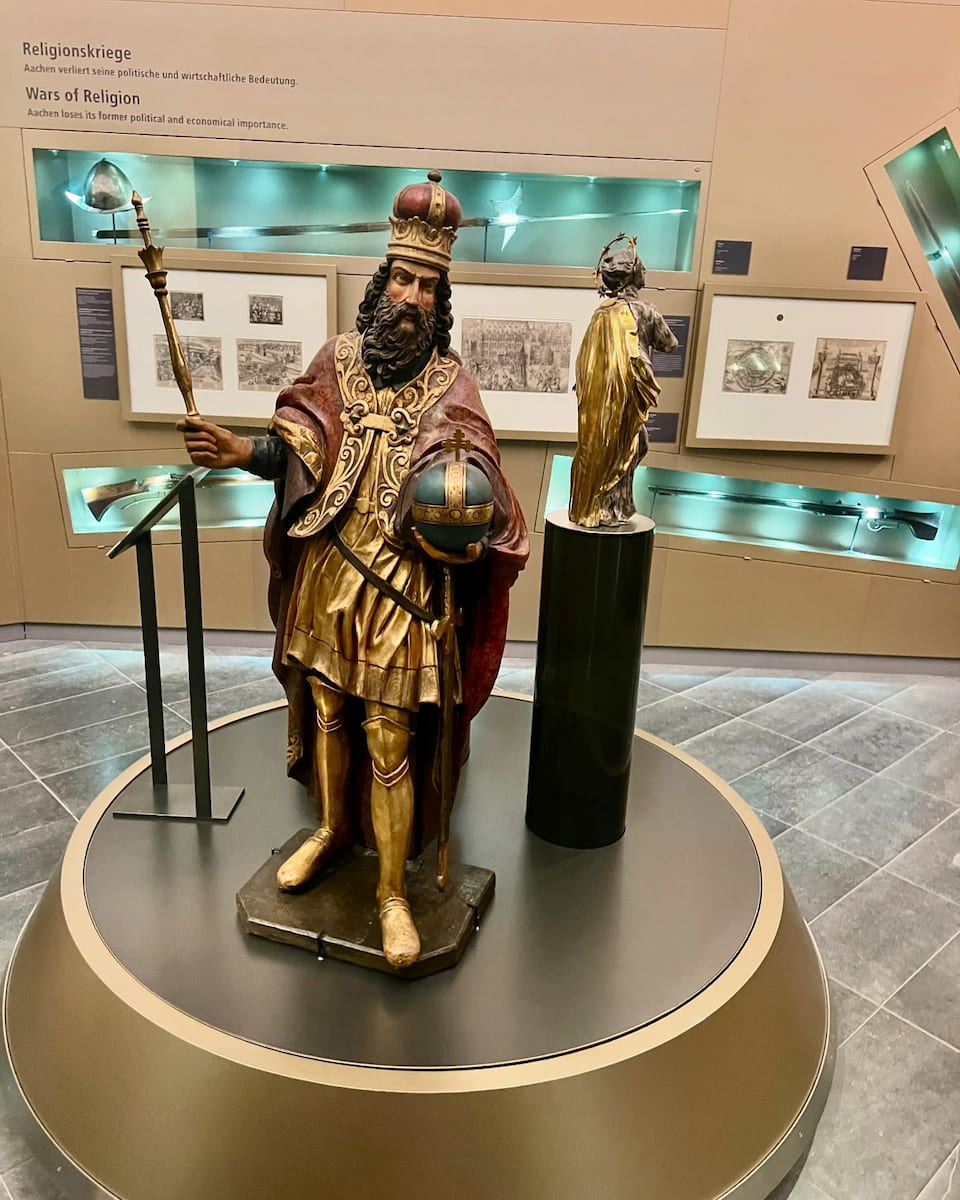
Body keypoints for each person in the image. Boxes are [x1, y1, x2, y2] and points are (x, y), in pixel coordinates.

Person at [179, 172, 528, 968]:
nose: (411, 298)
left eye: (427, 286)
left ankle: (393, 892)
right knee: (327, 711)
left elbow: (483, 484)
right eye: (402, 279)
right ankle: (333, 830)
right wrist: (240, 451)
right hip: (329, 568)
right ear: (382, 280)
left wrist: (463, 509)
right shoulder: (335, 362)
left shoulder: (454, 384)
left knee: (389, 738)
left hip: (403, 588)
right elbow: (296, 450)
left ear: (441, 299)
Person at [569, 235, 678, 528]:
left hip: (603, 395)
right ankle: (608, 508)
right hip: (630, 388)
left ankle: (605, 505)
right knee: (630, 445)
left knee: (612, 445)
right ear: (635, 275)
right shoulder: (645, 310)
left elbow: (586, 361)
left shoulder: (601, 313)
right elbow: (670, 344)